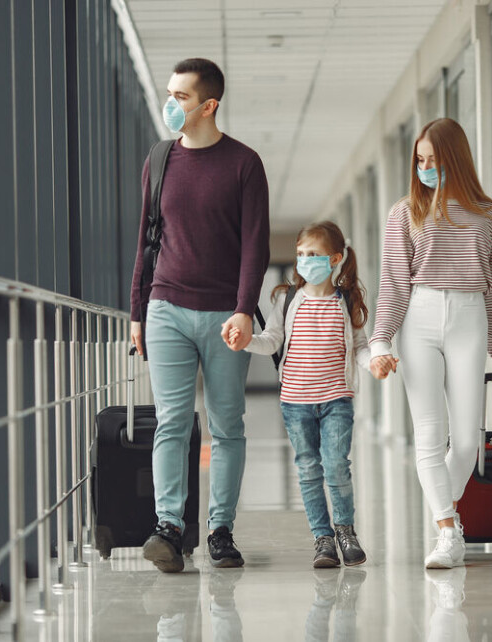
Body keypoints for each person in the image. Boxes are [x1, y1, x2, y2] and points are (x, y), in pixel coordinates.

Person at [129, 58, 270, 573]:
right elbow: (146, 240)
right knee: (171, 422)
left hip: (224, 317)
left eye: (181, 96)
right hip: (165, 307)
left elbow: (254, 246)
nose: (171, 104)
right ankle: (168, 526)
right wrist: (137, 311)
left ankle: (219, 529)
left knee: (226, 425)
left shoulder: (244, 164)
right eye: (170, 93)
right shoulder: (159, 159)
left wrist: (243, 311)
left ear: (209, 105)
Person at [369, 118, 492, 569]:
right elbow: (393, 282)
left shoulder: (489, 215)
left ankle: (440, 507)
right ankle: (449, 533)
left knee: (468, 442)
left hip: (470, 317)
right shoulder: (404, 212)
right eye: (420, 160)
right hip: (420, 317)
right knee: (429, 436)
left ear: (455, 158)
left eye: (433, 159)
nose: (425, 167)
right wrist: (379, 342)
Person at [225, 221, 371, 568]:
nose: (305, 260)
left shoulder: (346, 300)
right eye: (301, 254)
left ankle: (345, 531)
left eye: (314, 254)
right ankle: (323, 539)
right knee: (308, 469)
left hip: (337, 398)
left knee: (336, 467)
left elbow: (361, 348)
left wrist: (376, 361)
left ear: (335, 259)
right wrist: (247, 342)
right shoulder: (287, 298)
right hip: (295, 401)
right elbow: (272, 339)